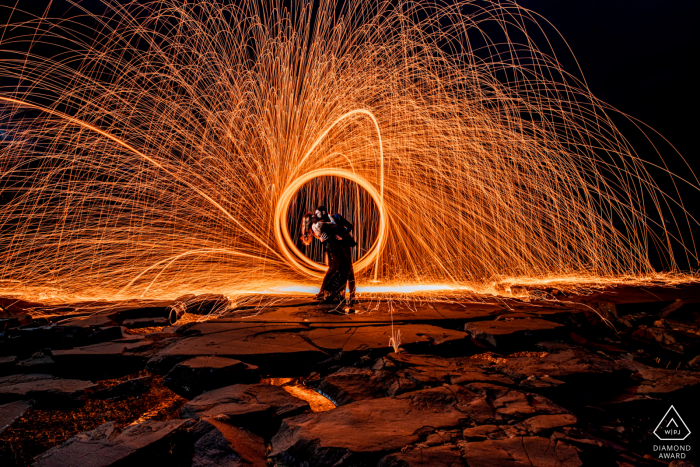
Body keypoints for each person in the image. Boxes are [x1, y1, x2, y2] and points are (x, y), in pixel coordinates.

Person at [301, 212, 351, 303]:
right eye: (313, 217)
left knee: (337, 269)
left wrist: (322, 240)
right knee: (341, 268)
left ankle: (327, 292)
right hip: (335, 247)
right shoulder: (318, 225)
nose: (316, 217)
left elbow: (325, 234)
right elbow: (332, 226)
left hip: (334, 246)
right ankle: (329, 292)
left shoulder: (315, 226)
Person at [314, 206, 356, 302]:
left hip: (344, 245)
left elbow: (349, 226)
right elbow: (322, 236)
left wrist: (342, 235)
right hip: (334, 248)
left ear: (324, 212)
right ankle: (340, 294)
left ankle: (352, 294)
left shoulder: (337, 217)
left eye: (318, 213)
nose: (317, 215)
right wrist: (321, 239)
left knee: (349, 269)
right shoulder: (322, 223)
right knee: (337, 270)